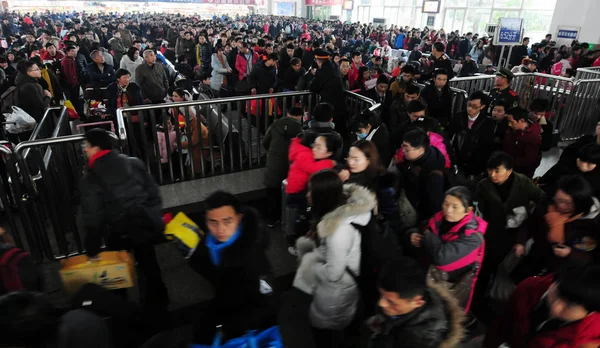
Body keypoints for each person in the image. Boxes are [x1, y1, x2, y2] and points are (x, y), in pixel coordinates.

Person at [79, 128, 169, 311]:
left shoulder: (90, 179)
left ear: (95, 147)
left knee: (116, 271)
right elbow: (153, 193)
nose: (84, 149)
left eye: (86, 145)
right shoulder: (133, 162)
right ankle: (158, 305)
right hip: (143, 224)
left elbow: (93, 217)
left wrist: (92, 249)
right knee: (149, 264)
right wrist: (152, 217)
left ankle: (123, 309)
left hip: (117, 231)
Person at [293, 170, 376, 347]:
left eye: (310, 191)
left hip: (336, 293)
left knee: (326, 335)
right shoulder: (338, 212)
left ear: (322, 196)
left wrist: (309, 262)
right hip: (346, 287)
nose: (307, 195)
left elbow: (334, 273)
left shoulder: (337, 231)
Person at [189, 191, 277, 344]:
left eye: (227, 221)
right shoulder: (214, 242)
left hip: (243, 327)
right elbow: (219, 275)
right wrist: (194, 256)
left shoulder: (252, 256)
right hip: (226, 308)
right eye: (213, 222)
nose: (220, 229)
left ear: (239, 218)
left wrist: (233, 326)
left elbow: (269, 302)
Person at [472, 151, 545, 322]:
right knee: (485, 265)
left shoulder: (523, 183)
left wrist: (526, 213)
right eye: (490, 171)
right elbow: (478, 210)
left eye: (497, 171)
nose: (493, 175)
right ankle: (478, 300)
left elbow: (541, 198)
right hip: (491, 233)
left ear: (509, 170)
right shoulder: (483, 185)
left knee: (504, 265)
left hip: (515, 233)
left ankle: (495, 297)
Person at [411, 186, 487, 312]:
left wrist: (428, 236)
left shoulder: (473, 236)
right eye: (446, 204)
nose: (448, 210)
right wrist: (412, 234)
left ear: (468, 210)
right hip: (428, 279)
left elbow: (442, 258)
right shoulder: (439, 217)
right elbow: (421, 227)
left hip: (451, 285)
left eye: (455, 207)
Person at [485, 265, 600, 348]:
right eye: (556, 294)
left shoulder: (589, 339)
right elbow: (504, 321)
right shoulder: (529, 287)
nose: (555, 307)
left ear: (590, 313)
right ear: (555, 281)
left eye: (570, 306)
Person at [366, 257, 464, 348]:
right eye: (382, 295)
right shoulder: (409, 297)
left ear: (417, 302)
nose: (381, 303)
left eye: (390, 301)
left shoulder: (423, 340)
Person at [528, 175, 600, 275]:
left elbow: (590, 257)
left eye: (567, 202)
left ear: (579, 202)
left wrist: (570, 253)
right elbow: (531, 223)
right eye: (558, 199)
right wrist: (520, 241)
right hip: (536, 254)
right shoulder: (547, 205)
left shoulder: (590, 225)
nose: (560, 205)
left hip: (560, 269)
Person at [263, 106, 304, 226]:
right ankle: (285, 218)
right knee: (285, 192)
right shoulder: (300, 129)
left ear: (288, 113)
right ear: (300, 117)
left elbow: (265, 142)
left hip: (273, 163)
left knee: (272, 191)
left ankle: (271, 219)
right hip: (290, 166)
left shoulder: (275, 124)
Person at [396, 128, 446, 222]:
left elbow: (434, 209)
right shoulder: (414, 160)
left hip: (418, 217)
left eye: (407, 149)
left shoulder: (433, 176)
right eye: (403, 146)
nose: (403, 151)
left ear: (420, 150)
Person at [447, 90, 495, 177]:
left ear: (482, 106)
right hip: (457, 158)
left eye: (474, 106)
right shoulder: (459, 117)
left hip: (475, 162)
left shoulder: (487, 122)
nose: (470, 108)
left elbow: (486, 146)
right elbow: (449, 134)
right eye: (469, 105)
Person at [309, 49, 347, 136]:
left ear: (318, 61)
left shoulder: (322, 71)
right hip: (341, 105)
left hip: (330, 106)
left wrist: (314, 76)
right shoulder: (335, 67)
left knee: (329, 133)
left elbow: (313, 87)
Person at [504, 106, 542, 178]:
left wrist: (508, 164)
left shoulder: (532, 137)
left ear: (521, 120)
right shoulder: (512, 130)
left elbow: (528, 160)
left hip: (520, 173)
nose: (509, 124)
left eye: (511, 122)